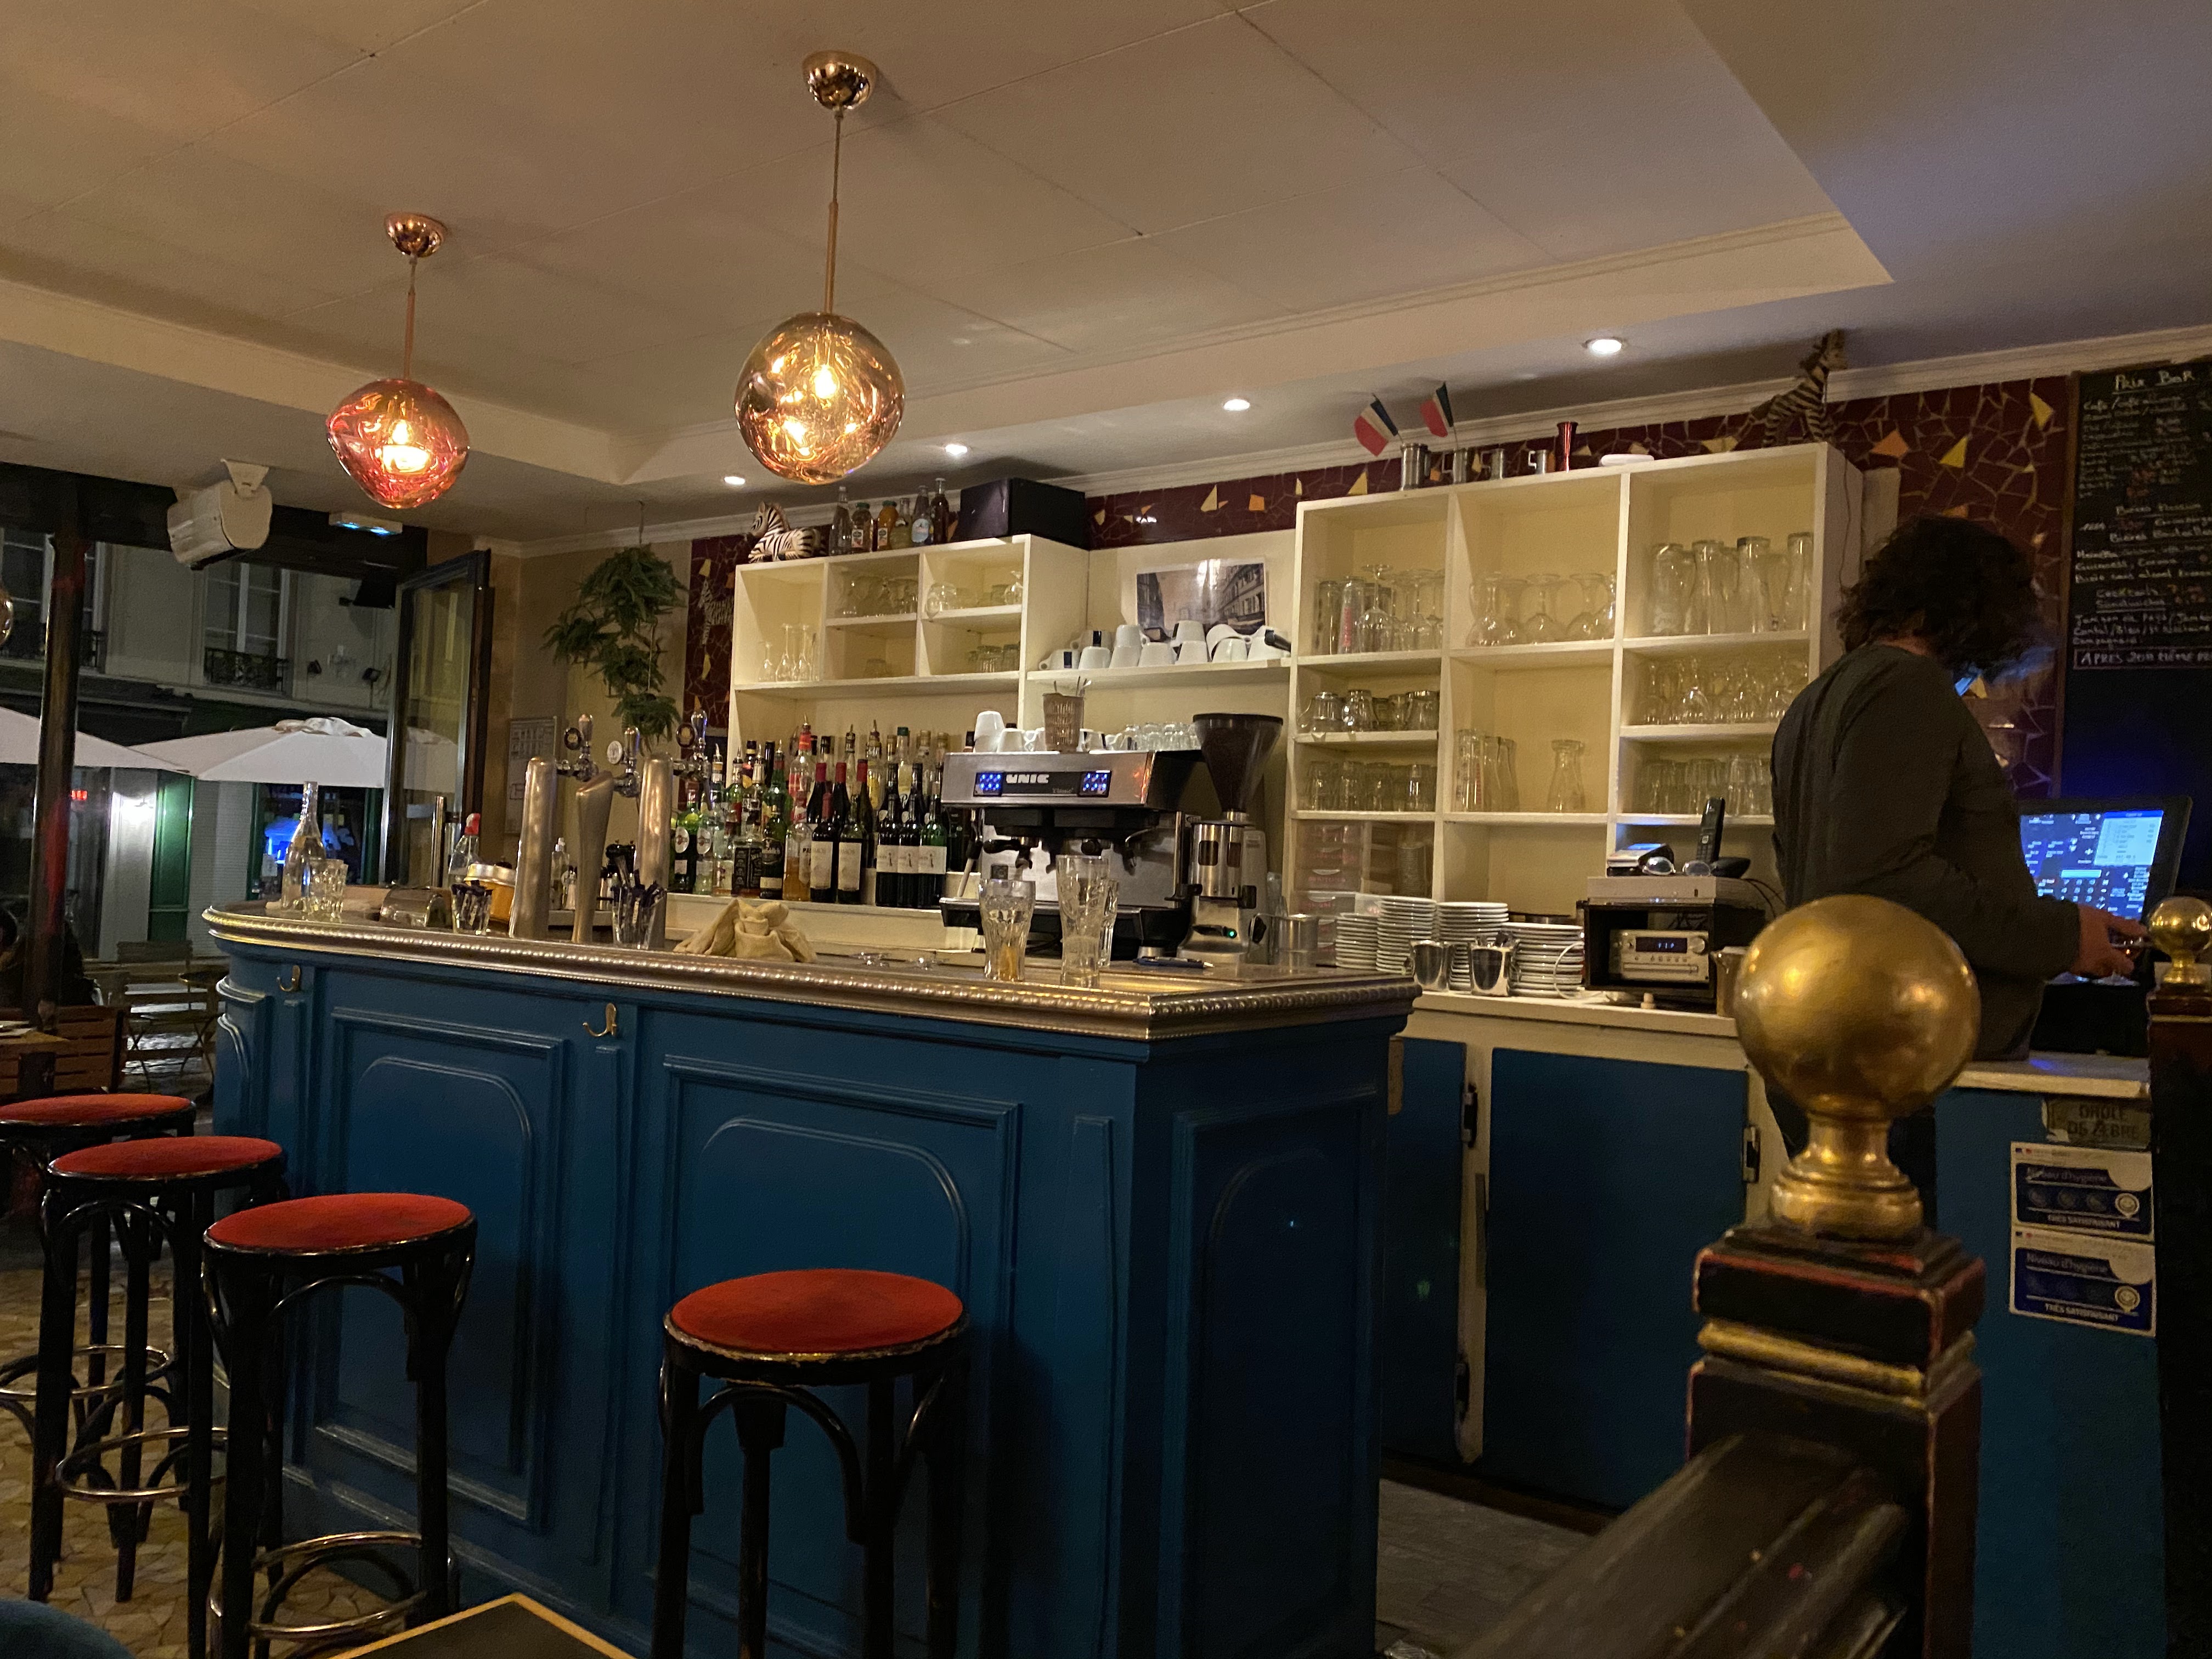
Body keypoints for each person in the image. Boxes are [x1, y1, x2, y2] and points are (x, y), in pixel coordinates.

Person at [1768, 516, 2146, 1205]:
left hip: (1847, 1053)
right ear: (1977, 606)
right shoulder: (1907, 688)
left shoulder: (1817, 700)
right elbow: (1882, 878)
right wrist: (2062, 936)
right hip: (1908, 1066)